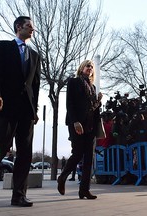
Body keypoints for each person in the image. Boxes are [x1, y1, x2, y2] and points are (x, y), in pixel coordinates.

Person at [0, 16, 41, 207]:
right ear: (18, 27)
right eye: (29, 26)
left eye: (33, 27)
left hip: (26, 111)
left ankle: (19, 195)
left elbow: (35, 85)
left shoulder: (35, 56)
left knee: (25, 153)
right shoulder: (3, 47)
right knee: (1, 146)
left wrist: (35, 109)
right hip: (5, 107)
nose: (32, 29)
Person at [57, 60, 102, 199]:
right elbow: (69, 103)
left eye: (92, 67)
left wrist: (98, 101)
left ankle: (84, 190)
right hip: (77, 123)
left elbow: (93, 108)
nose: (90, 68)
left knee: (89, 158)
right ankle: (63, 177)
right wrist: (75, 121)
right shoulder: (74, 82)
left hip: (90, 126)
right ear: (81, 68)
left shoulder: (93, 87)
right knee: (77, 153)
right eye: (87, 66)